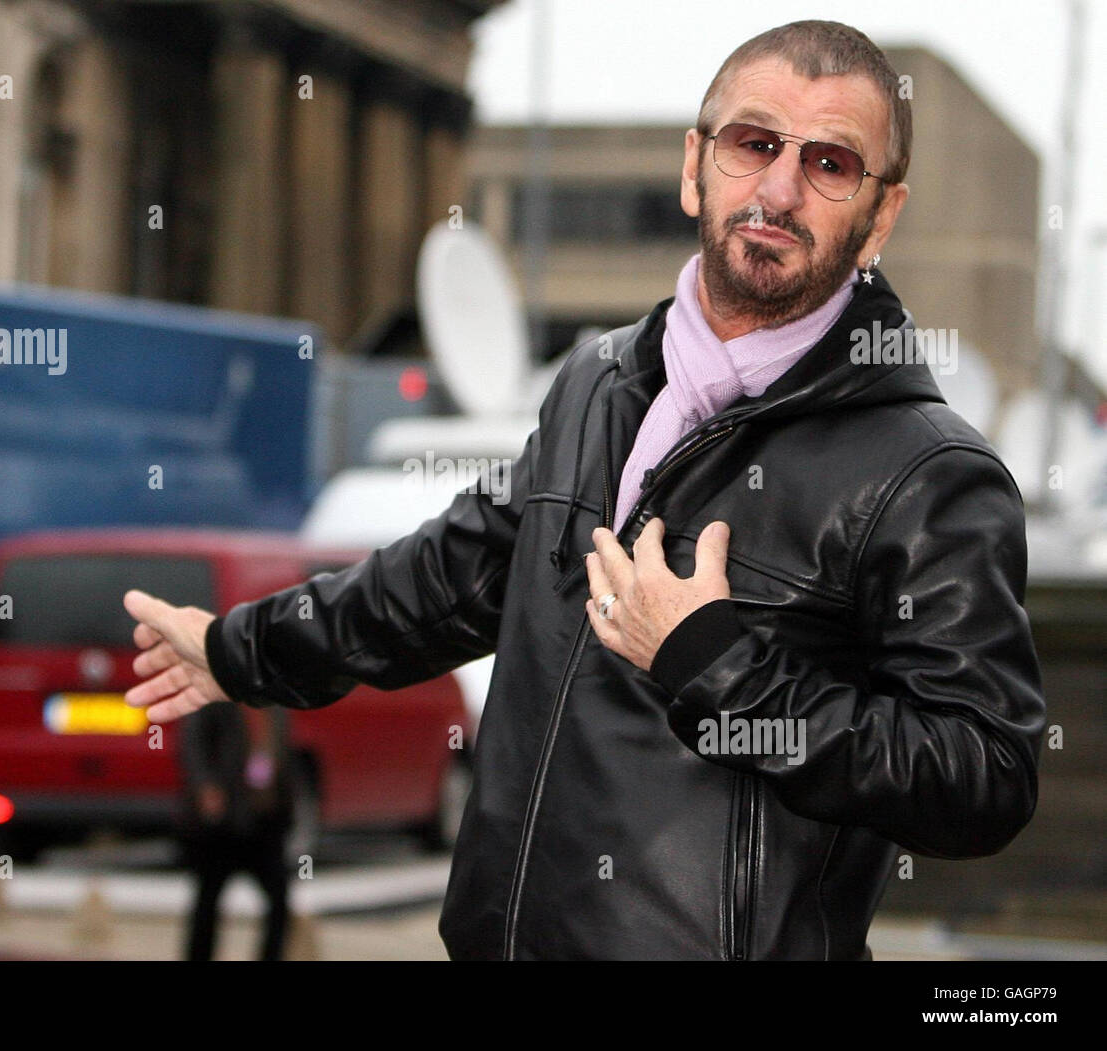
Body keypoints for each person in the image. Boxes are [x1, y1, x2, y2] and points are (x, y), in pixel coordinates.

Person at [123, 20, 1046, 960]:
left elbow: (984, 776)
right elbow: (451, 576)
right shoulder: (599, 382)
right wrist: (241, 651)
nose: (778, 188)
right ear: (697, 165)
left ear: (879, 215)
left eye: (831, 163)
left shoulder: (928, 474)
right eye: (753, 144)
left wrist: (718, 665)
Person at [177, 699, 292, 961]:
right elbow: (192, 742)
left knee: (279, 898)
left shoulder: (276, 700)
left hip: (264, 820)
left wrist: (286, 807)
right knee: (207, 900)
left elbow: (282, 750)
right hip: (224, 822)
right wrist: (205, 787)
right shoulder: (217, 696)